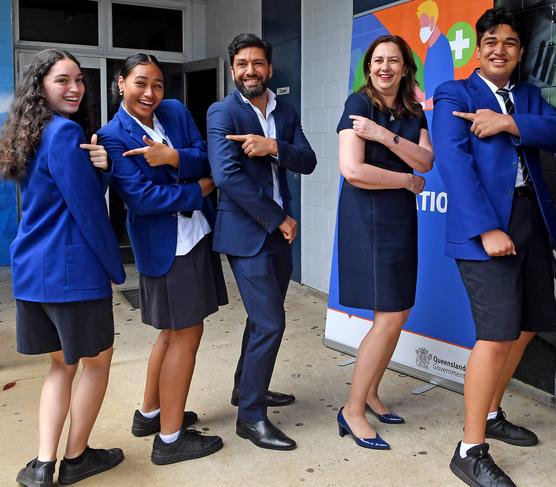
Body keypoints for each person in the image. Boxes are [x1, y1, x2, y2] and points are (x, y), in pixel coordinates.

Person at [432, 8, 556, 486]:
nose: (499, 48)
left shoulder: (528, 97)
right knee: (494, 335)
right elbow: (454, 164)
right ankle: (470, 449)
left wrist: (509, 123)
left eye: (509, 41)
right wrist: (487, 228)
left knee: (525, 327)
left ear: (520, 51)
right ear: (479, 46)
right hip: (485, 227)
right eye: (491, 40)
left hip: (531, 219)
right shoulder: (455, 93)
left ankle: (489, 413)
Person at [0, 48, 125, 487]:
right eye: (62, 80)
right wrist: (116, 267)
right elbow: (87, 209)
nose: (74, 88)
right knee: (97, 362)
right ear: (41, 86)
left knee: (61, 366)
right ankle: (75, 459)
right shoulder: (66, 133)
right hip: (71, 273)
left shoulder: (27, 133)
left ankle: (41, 464)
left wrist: (100, 169)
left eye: (79, 80)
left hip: (33, 272)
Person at [98, 52, 228, 465]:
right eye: (140, 83)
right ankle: (171, 439)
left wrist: (171, 157)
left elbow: (204, 154)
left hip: (195, 236)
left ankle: (151, 414)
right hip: (166, 246)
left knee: (172, 333)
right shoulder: (113, 135)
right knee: (186, 335)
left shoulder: (172, 112)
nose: (150, 93)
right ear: (121, 83)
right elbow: (142, 198)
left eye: (156, 84)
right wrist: (201, 189)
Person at [207, 33, 316, 451]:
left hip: (279, 235)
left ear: (269, 68)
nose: (249, 71)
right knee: (271, 322)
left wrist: (273, 147)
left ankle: (245, 387)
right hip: (248, 233)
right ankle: (250, 417)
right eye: (241, 64)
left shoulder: (284, 112)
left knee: (261, 319)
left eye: (257, 63)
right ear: (233, 69)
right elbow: (226, 177)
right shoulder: (223, 112)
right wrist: (279, 218)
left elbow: (307, 160)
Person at [335, 34, 433, 450]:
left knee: (397, 312)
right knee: (389, 317)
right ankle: (352, 410)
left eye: (393, 60)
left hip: (399, 219)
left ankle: (371, 392)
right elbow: (353, 170)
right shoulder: (358, 104)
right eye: (378, 60)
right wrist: (406, 180)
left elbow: (427, 159)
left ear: (405, 67)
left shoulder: (412, 111)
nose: (385, 67)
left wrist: (383, 135)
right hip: (368, 218)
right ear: (369, 67)